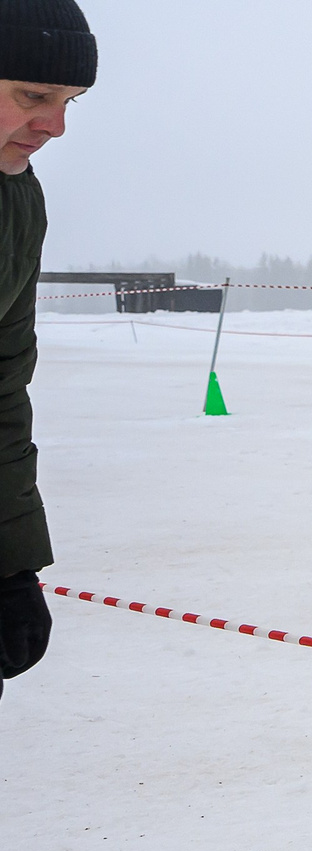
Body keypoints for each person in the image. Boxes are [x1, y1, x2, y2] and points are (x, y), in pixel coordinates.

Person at [0, 0, 90, 703]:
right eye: (34, 95)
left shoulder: (17, 201)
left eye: (69, 102)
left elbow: (2, 384)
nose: (54, 125)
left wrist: (11, 562)